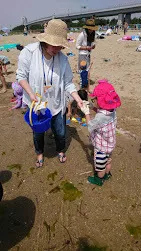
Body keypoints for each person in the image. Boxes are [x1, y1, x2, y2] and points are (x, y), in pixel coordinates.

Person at [16, 19, 83, 167]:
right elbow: (21, 76)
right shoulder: (29, 53)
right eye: (54, 44)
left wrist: (77, 99)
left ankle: (60, 150)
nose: (57, 49)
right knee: (38, 132)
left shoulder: (63, 59)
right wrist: (31, 94)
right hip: (36, 103)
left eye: (60, 46)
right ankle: (39, 153)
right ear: (45, 40)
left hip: (56, 103)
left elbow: (67, 83)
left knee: (60, 131)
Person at [80, 80, 121, 186]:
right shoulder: (111, 109)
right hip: (110, 144)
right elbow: (101, 111)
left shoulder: (100, 117)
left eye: (95, 100)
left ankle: (99, 179)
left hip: (101, 147)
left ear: (101, 100)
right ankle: (107, 175)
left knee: (100, 166)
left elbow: (90, 126)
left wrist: (86, 112)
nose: (94, 101)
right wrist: (92, 107)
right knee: (108, 161)